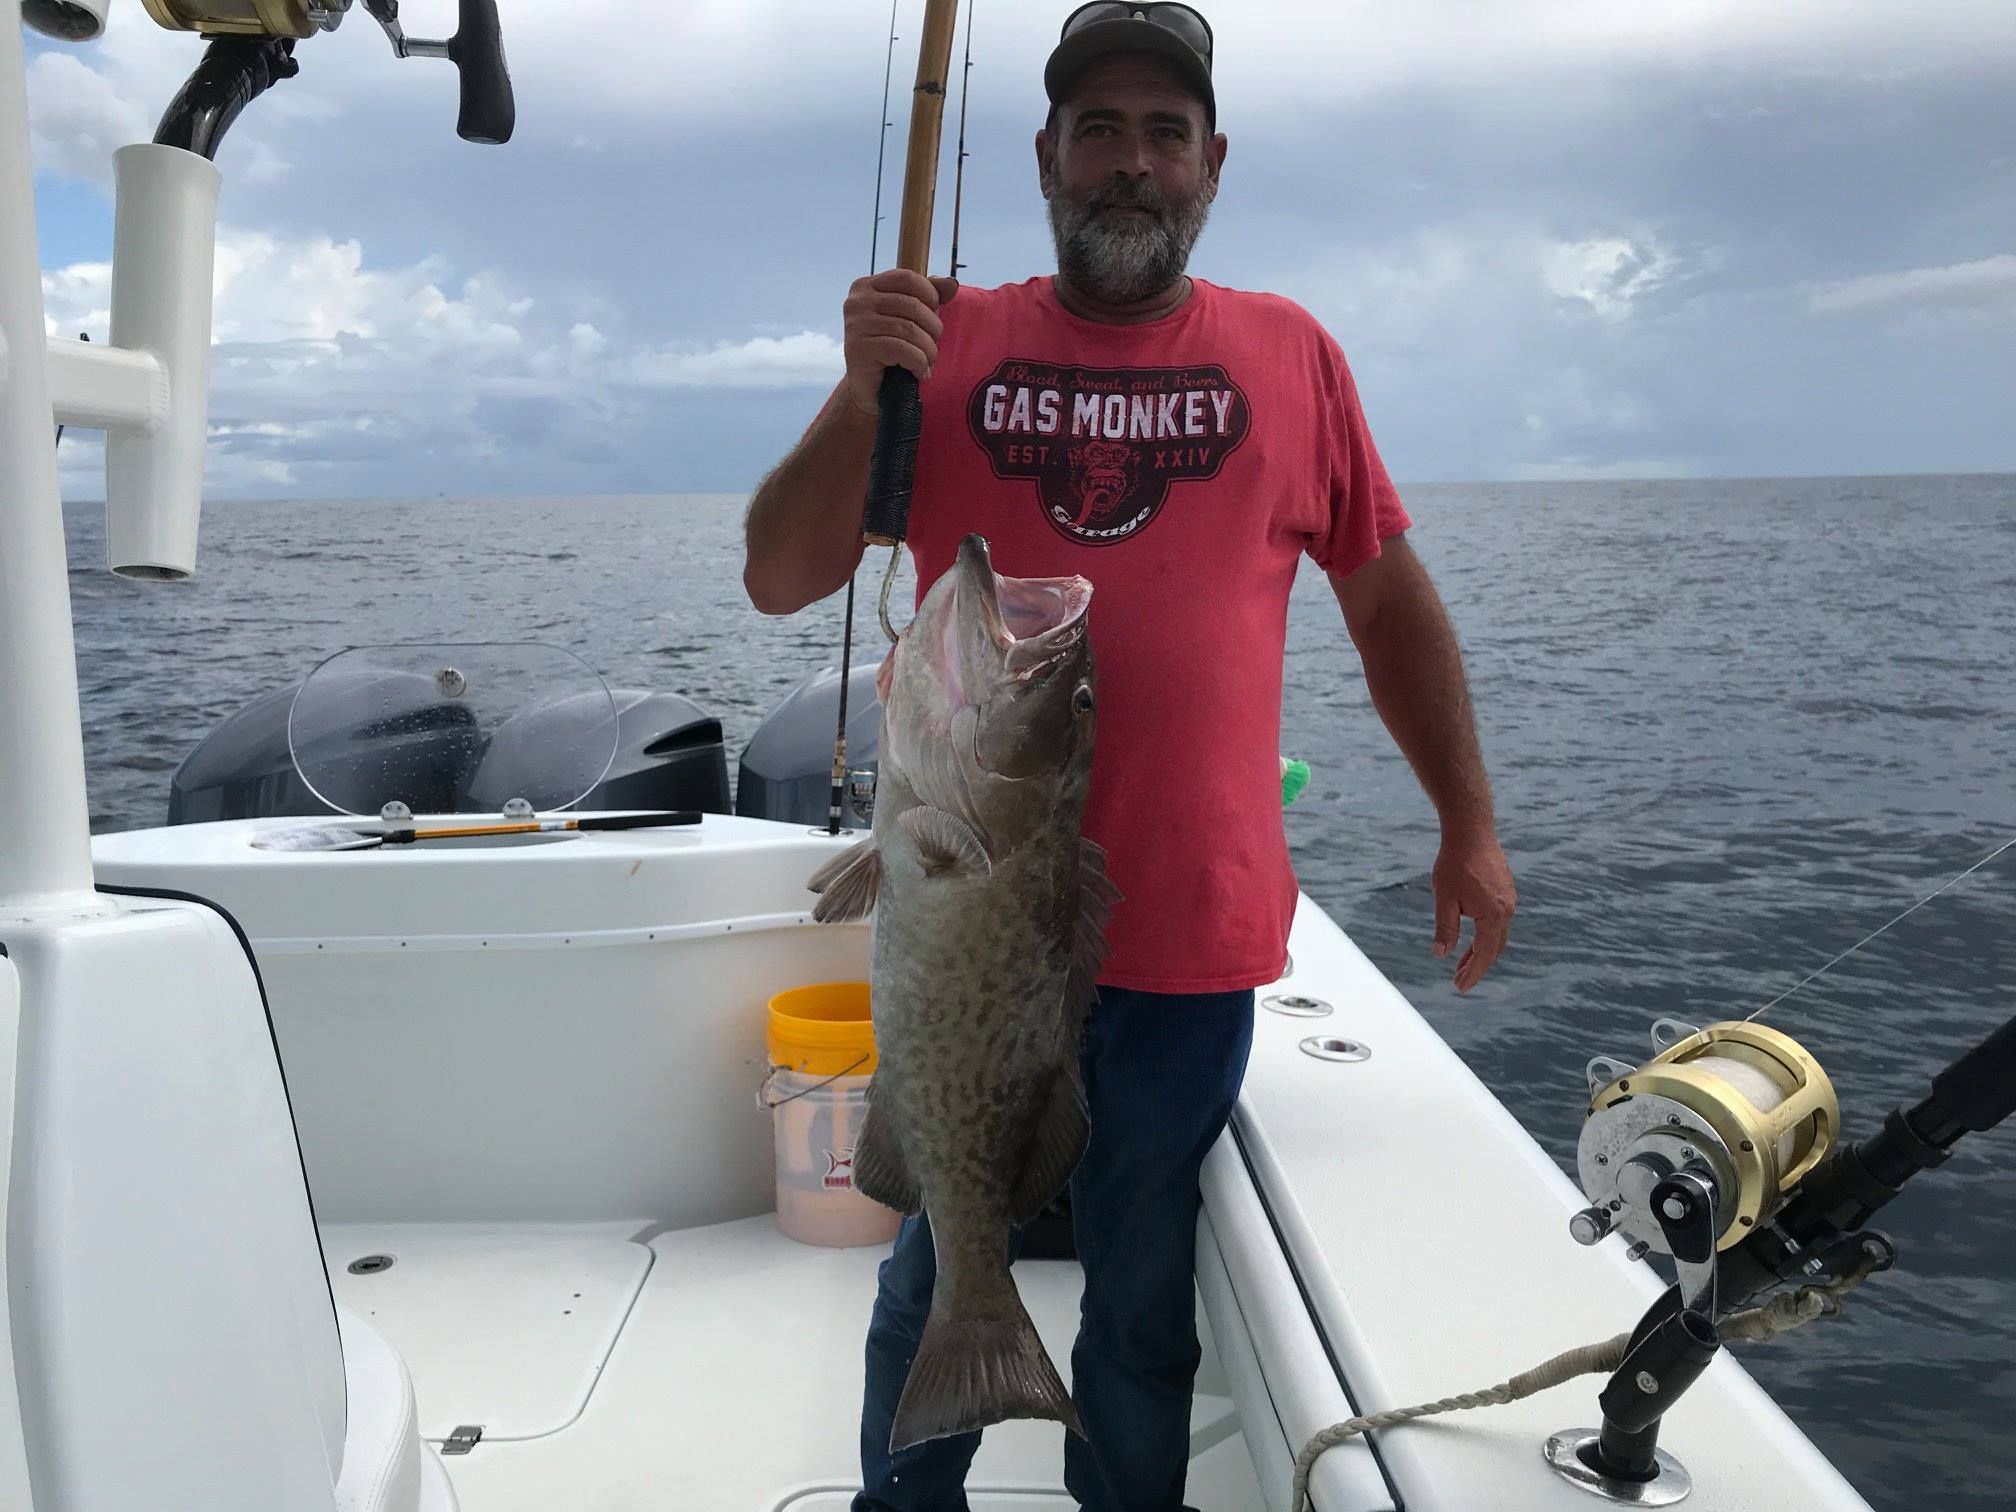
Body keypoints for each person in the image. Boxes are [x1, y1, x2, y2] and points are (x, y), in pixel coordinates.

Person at [742, 5, 1517, 1507]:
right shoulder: (945, 337)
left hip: (1184, 941)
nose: (1132, 164)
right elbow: (782, 574)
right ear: (1045, 155)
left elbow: (1387, 603)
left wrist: (1466, 824)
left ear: (1212, 164)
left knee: (1142, 1309)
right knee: (925, 1276)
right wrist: (863, 387)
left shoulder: (1293, 356)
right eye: (1100, 129)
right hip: (972, 929)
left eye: (1165, 133)